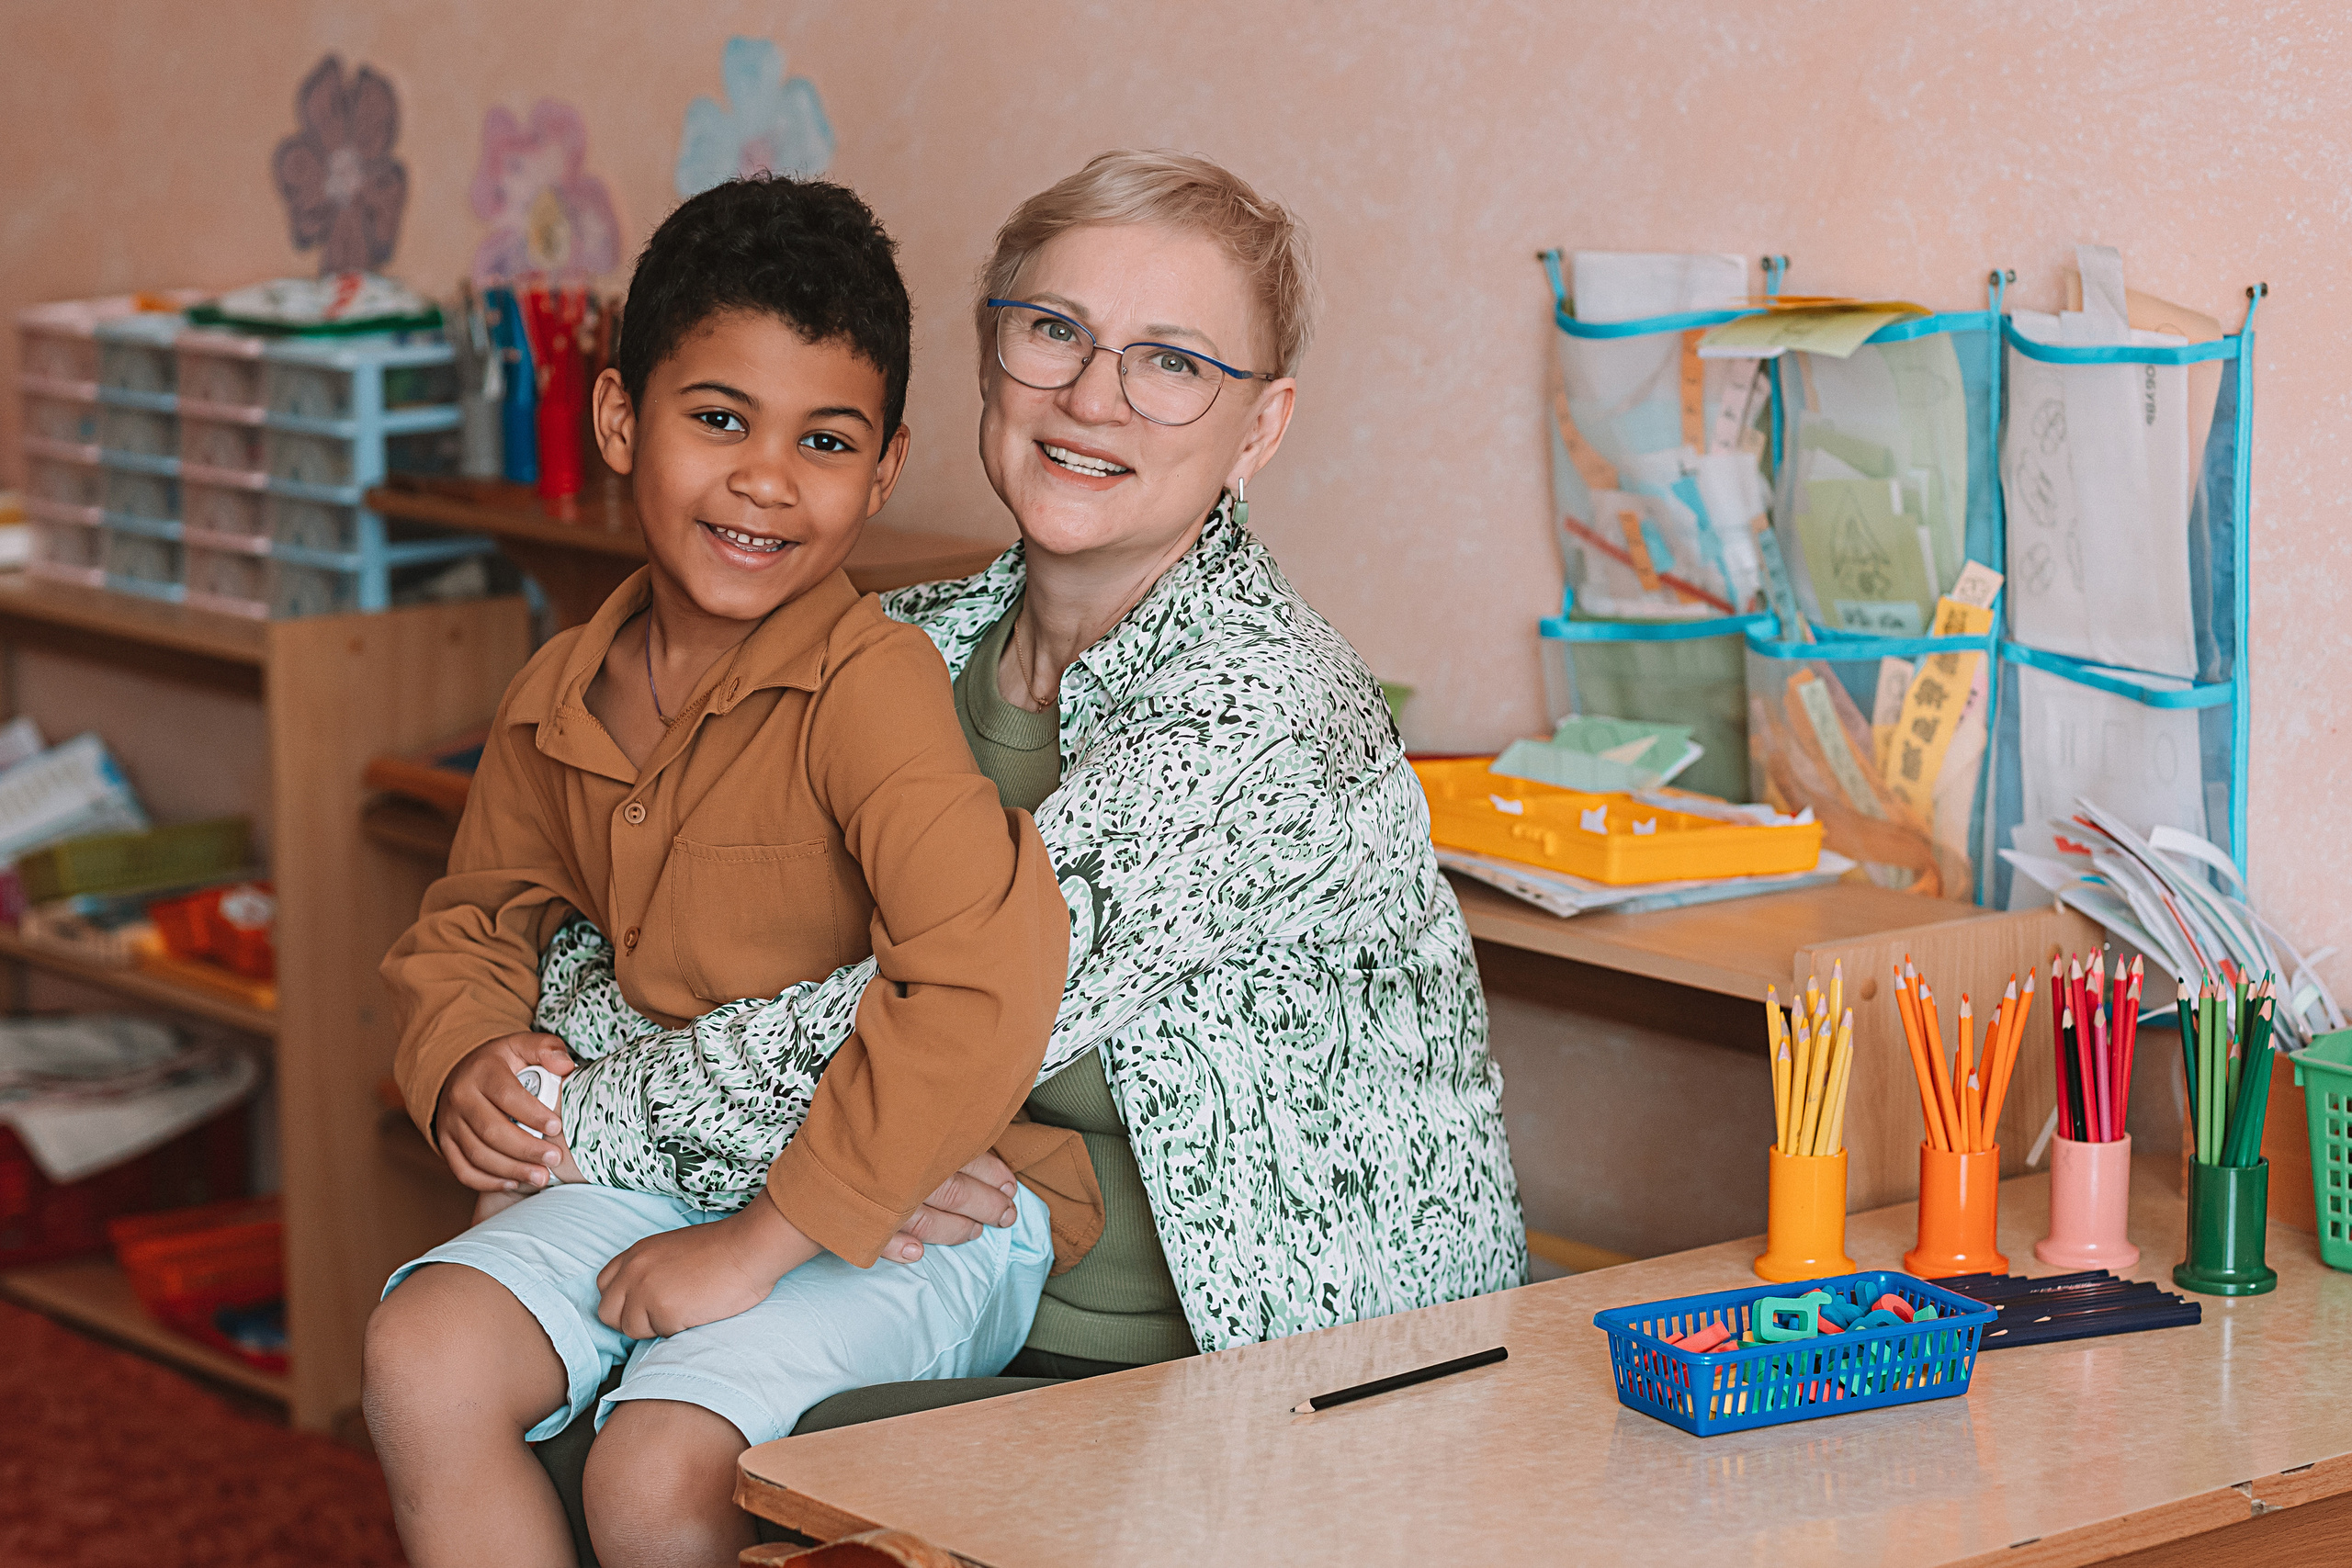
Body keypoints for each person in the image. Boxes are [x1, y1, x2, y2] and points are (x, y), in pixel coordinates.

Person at [530, 149, 1526, 1508]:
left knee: (670, 1460)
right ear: (990, 362)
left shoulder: (1268, 713)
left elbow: (949, 1005)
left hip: (1250, 1379)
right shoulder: (891, 646)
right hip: (932, 1270)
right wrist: (524, 1061)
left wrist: (564, 1115)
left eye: (1172, 362)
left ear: (1262, 427)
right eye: (1054, 331)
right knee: (496, 1359)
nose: (1092, 397)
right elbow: (646, 911)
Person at [363, 175, 1077, 1568]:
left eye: (825, 441)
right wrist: (461, 1060)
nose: (766, 479)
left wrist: (755, 1246)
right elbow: (474, 921)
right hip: (665, 1165)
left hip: (907, 1209)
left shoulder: (869, 686)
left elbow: (985, 968)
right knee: (423, 1354)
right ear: (621, 420)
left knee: (658, 1466)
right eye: (720, 420)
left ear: (883, 470)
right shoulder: (555, 694)